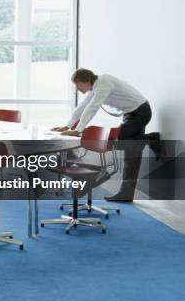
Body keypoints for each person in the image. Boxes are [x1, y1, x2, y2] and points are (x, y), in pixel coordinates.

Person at [52, 68, 161, 202]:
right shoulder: (95, 87)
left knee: (118, 140)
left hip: (140, 112)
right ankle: (126, 194)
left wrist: (79, 129)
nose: (77, 88)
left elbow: (93, 107)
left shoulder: (104, 82)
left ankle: (151, 139)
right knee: (132, 153)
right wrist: (68, 125)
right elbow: (82, 107)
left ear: (85, 81)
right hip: (129, 114)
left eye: (77, 84)